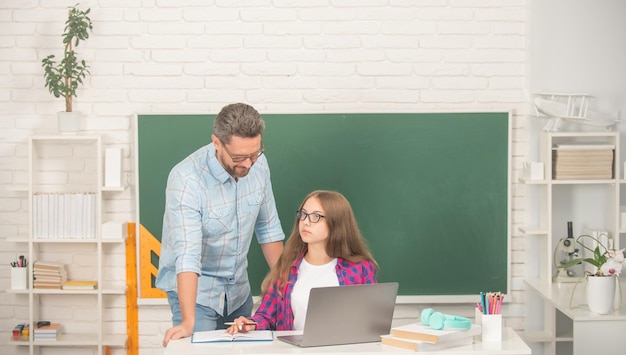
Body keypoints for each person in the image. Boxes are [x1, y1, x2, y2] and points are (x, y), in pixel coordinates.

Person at [156, 103, 285, 346]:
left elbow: (268, 229)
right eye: (238, 157)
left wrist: (286, 287)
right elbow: (188, 256)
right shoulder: (186, 179)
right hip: (198, 295)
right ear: (217, 143)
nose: (248, 164)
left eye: (254, 154)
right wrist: (187, 322)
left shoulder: (259, 164)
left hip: (239, 290)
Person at [226, 190, 377, 334]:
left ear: (336, 223)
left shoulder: (360, 268)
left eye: (316, 217)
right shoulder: (287, 268)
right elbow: (265, 316)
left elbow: (372, 318)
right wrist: (249, 325)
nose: (305, 222)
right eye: (303, 215)